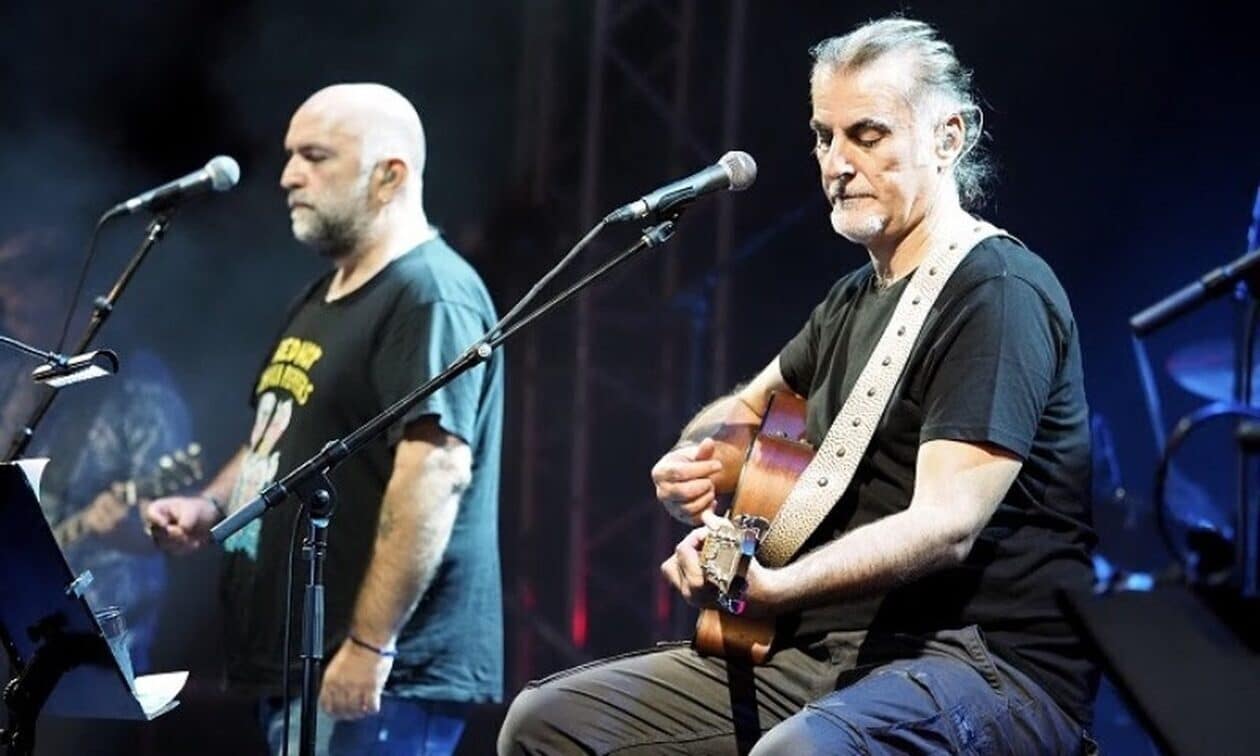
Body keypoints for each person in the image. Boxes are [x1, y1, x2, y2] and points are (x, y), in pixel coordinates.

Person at [499, 16, 1098, 755]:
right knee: (547, 724)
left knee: (799, 753)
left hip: (981, 665)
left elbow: (948, 524)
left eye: (868, 135)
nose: (837, 163)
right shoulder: (850, 301)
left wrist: (779, 587)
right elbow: (748, 411)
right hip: (826, 659)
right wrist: (699, 463)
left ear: (949, 137)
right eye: (823, 136)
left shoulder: (996, 291)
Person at [144, 83, 504, 756]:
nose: (287, 176)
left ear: (389, 176)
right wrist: (211, 505)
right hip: (305, 669)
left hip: (377, 679)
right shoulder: (323, 295)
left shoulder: (430, 295)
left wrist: (371, 644)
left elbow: (434, 474)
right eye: (290, 156)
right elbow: (279, 437)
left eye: (314, 157)